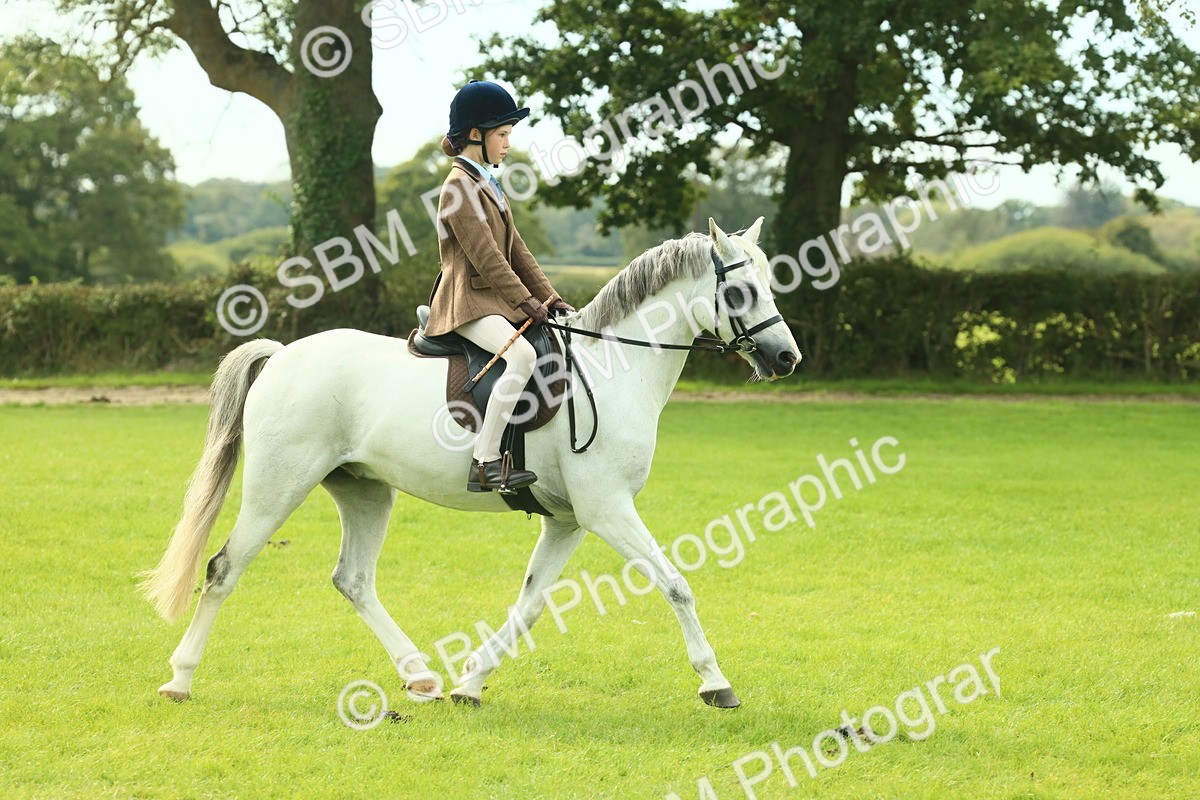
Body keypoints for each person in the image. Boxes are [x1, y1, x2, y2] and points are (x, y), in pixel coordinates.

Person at [424, 79, 574, 493]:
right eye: (502, 134)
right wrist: (524, 301)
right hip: (466, 303)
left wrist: (550, 297)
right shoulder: (457, 187)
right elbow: (487, 258)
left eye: (509, 135)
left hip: (492, 302)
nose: (508, 143)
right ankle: (485, 461)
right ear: (476, 135)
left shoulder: (487, 183)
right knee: (522, 356)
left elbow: (517, 250)